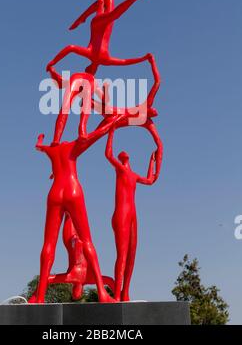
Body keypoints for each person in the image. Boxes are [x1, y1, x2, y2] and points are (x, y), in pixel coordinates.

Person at [30, 113, 123, 303]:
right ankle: (102, 292)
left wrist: (41, 140)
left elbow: (39, 147)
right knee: (87, 240)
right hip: (73, 191)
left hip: (55, 193)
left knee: (48, 245)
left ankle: (39, 297)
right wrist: (115, 120)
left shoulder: (52, 150)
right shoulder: (71, 146)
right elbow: (97, 134)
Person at [105, 124, 162, 301]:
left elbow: (151, 180)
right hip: (121, 214)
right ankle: (118, 294)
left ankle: (126, 292)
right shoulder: (120, 170)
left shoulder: (133, 175)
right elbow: (108, 154)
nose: (124, 153)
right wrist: (111, 131)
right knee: (122, 254)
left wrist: (152, 161)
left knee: (132, 253)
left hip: (132, 215)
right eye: (121, 154)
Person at [46, 0, 150, 76]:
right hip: (107, 26)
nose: (94, 71)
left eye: (92, 72)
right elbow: (124, 62)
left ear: (90, 68)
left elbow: (70, 48)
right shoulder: (105, 60)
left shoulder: (91, 54)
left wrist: (53, 61)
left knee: (113, 13)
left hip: (97, 25)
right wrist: (142, 58)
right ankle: (83, 17)